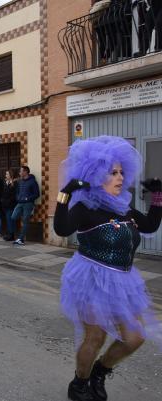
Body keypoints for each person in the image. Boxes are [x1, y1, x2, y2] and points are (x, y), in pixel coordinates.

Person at [54, 136, 162, 401]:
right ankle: (79, 384)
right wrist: (64, 193)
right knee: (95, 337)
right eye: (113, 173)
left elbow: (149, 225)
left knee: (134, 338)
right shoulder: (85, 209)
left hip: (123, 280)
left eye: (122, 172)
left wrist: (157, 196)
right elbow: (61, 229)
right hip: (90, 278)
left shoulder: (124, 209)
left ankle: (100, 372)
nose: (120, 178)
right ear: (97, 175)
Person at [10, 166, 40, 245]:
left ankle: (21, 239)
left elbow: (37, 194)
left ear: (25, 172)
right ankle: (24, 215)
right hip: (20, 202)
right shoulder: (20, 181)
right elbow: (17, 191)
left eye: (21, 171)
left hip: (28, 204)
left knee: (25, 221)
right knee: (13, 216)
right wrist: (18, 198)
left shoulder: (33, 182)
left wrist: (28, 199)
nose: (19, 173)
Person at [1, 170, 18, 241]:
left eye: (7, 174)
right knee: (8, 220)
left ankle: (11, 235)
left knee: (10, 220)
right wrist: (2, 200)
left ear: (11, 175)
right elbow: (4, 193)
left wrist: (8, 201)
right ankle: (9, 234)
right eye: (6, 174)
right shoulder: (5, 183)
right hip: (5, 204)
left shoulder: (15, 183)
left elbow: (14, 195)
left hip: (11, 204)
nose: (6, 175)